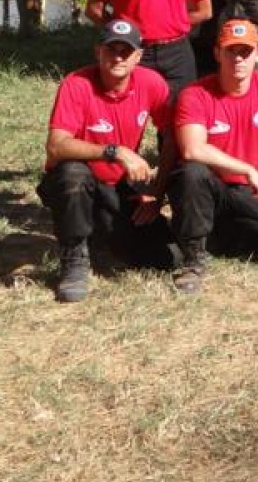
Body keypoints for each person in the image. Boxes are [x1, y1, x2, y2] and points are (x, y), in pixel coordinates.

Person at [168, 19, 258, 295]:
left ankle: (220, 234)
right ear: (217, 53)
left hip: (244, 191)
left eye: (245, 52)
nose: (238, 58)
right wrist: (246, 168)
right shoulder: (195, 94)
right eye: (231, 51)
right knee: (192, 171)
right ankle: (192, 259)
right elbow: (192, 149)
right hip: (206, 187)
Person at [38, 18, 175, 302]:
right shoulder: (76, 84)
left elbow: (173, 135)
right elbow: (56, 147)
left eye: (126, 51)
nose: (118, 57)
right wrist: (116, 152)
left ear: (139, 56)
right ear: (98, 51)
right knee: (73, 173)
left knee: (166, 256)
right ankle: (73, 258)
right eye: (112, 49)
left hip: (117, 186)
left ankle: (99, 233)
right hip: (77, 182)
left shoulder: (152, 83)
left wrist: (157, 193)